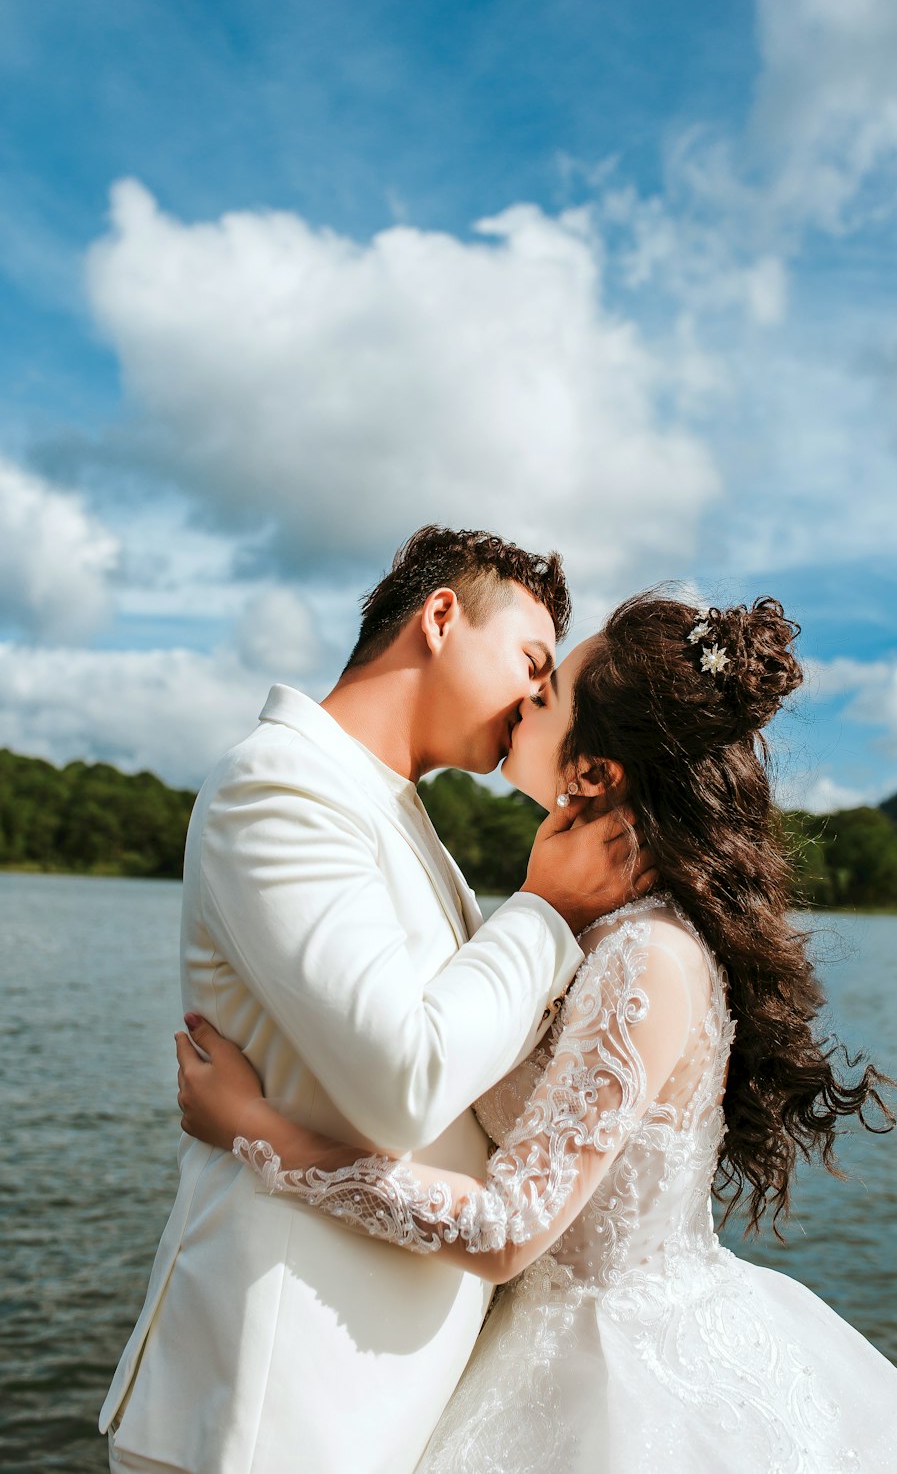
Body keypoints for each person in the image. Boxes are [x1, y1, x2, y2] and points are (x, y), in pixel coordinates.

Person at [177, 590, 897, 1473]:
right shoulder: (596, 929)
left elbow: (505, 1230)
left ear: (595, 772)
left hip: (619, 1379)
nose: (523, 700)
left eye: (547, 692)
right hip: (529, 1347)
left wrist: (254, 1131)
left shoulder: (643, 953)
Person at [101, 527, 657, 1474]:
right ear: (441, 616)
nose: (536, 698)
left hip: (369, 1406)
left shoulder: (394, 811)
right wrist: (544, 910)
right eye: (530, 661)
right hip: (273, 1404)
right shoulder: (279, 786)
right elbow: (403, 1083)